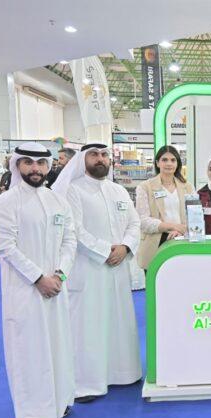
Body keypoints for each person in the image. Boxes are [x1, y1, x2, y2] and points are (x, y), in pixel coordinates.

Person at [0, 143, 77, 418]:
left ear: (49, 166)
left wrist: (60, 274)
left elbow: (70, 240)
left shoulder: (57, 201)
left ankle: (59, 402)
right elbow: (6, 248)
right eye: (28, 162)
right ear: (17, 166)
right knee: (29, 353)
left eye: (40, 163)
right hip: (25, 292)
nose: (35, 169)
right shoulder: (4, 203)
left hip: (57, 287)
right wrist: (39, 279)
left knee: (58, 346)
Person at [51, 143, 143, 402]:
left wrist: (125, 247)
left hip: (118, 268)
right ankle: (87, 383)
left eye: (104, 155)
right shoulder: (72, 190)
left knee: (119, 321)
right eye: (94, 155)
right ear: (83, 159)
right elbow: (74, 231)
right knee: (88, 326)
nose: (100, 159)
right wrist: (105, 251)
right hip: (89, 269)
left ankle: (123, 373)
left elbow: (134, 223)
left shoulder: (118, 190)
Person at [135, 145, 193, 270]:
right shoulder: (145, 187)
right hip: (154, 244)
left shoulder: (188, 187)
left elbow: (194, 215)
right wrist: (172, 227)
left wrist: (180, 231)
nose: (169, 163)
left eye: (173, 160)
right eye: (164, 160)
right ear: (157, 163)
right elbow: (143, 220)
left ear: (177, 163)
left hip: (181, 239)